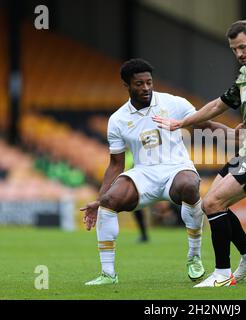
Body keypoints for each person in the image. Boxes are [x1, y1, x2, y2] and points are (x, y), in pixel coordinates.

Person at [153, 20, 246, 287]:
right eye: (234, 49)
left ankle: (222, 273)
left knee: (212, 204)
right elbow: (218, 105)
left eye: (242, 47)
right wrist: (182, 122)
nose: (239, 53)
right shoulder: (244, 74)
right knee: (213, 202)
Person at [81, 58, 237, 285]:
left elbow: (205, 125)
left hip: (177, 167)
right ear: (127, 86)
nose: (146, 88)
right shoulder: (117, 120)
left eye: (149, 82)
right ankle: (108, 274)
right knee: (109, 201)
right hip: (143, 173)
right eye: (139, 84)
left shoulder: (173, 103)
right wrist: (99, 199)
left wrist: (233, 134)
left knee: (189, 185)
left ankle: (193, 257)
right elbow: (116, 164)